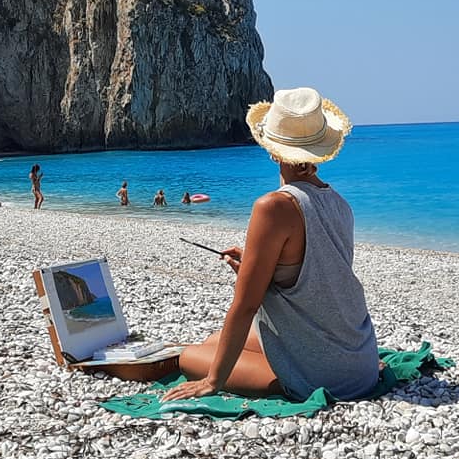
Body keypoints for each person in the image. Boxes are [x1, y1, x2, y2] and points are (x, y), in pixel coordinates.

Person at [162, 87, 379, 403]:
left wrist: (213, 381)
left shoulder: (273, 207)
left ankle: (289, 381)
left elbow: (246, 305)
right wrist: (256, 265)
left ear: (274, 150)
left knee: (191, 357)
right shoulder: (339, 203)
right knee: (214, 340)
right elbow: (316, 279)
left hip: (328, 376)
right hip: (360, 358)